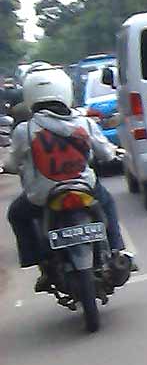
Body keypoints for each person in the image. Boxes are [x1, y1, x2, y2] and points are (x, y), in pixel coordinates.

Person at [5, 66, 135, 292]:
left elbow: (12, 163)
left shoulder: (24, 130)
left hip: (43, 196)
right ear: (65, 91)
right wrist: (116, 152)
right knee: (108, 203)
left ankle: (38, 262)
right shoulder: (83, 123)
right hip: (85, 189)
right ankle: (117, 250)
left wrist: (7, 168)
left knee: (16, 214)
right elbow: (105, 153)